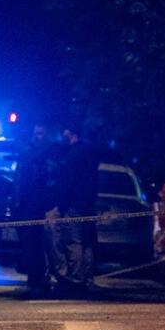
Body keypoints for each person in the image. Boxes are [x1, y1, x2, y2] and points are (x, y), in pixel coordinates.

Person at [53, 123, 99, 291]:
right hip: (88, 204)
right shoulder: (90, 152)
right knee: (87, 242)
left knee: (74, 241)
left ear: (71, 133)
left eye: (64, 132)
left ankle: (76, 279)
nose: (62, 135)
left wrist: (61, 204)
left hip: (74, 204)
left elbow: (67, 182)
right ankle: (88, 278)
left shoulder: (73, 154)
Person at [14, 124, 56, 293]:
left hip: (37, 206)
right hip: (26, 206)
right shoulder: (30, 155)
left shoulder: (43, 156)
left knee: (37, 244)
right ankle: (34, 278)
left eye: (40, 134)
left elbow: (42, 181)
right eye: (35, 133)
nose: (36, 137)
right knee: (30, 243)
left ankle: (38, 278)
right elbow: (20, 181)